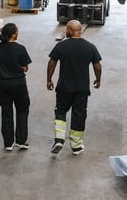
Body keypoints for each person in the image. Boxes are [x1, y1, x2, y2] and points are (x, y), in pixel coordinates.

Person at [46, 20, 101, 155]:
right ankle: (76, 146)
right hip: (81, 89)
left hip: (64, 88)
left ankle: (59, 140)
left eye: (66, 29)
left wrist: (49, 79)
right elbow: (97, 65)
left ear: (70, 30)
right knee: (79, 115)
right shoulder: (90, 47)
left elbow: (52, 62)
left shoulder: (61, 46)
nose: (65, 31)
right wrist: (98, 79)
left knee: (60, 111)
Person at [0, 23, 31, 151]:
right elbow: (25, 68)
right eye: (17, 32)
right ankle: (21, 140)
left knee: (6, 111)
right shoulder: (20, 49)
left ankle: (8, 143)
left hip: (3, 84)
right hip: (19, 85)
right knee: (22, 110)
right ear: (13, 35)